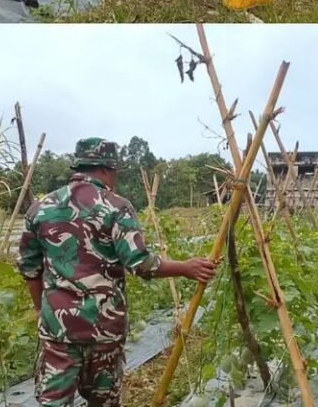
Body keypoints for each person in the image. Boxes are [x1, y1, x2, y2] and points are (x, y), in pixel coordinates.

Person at [17, 138, 217, 407]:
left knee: (53, 402)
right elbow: (140, 263)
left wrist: (43, 311)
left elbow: (29, 269)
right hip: (104, 330)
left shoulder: (40, 208)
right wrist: (185, 268)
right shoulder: (116, 206)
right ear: (107, 169)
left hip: (58, 330)